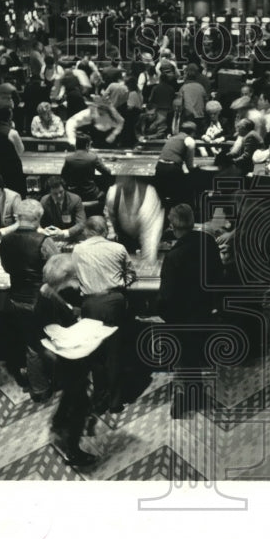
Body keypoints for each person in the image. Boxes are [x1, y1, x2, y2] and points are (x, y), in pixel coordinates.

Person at [157, 205, 224, 406]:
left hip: (183, 315)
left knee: (186, 358)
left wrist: (161, 312)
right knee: (193, 353)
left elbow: (166, 295)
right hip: (206, 308)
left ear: (172, 226)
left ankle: (192, 397)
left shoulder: (173, 257)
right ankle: (193, 392)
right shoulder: (208, 241)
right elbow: (218, 274)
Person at [34, 255, 97, 468]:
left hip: (55, 357)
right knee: (81, 402)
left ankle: (59, 420)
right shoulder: (52, 300)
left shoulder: (46, 292)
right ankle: (73, 451)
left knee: (71, 392)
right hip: (65, 358)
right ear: (67, 277)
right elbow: (58, 331)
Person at [71, 216, 136, 414]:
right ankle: (115, 402)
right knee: (114, 353)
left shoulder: (78, 250)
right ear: (104, 232)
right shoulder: (118, 248)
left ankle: (99, 400)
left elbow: (75, 276)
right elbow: (131, 275)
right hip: (114, 302)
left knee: (95, 353)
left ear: (87, 231)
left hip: (90, 303)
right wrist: (120, 284)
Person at [0, 198, 61, 394]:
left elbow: (6, 267)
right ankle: (42, 387)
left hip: (15, 298)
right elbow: (58, 270)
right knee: (42, 343)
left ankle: (34, 382)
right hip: (40, 300)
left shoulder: (6, 240)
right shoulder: (44, 241)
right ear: (38, 218)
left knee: (28, 341)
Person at [105, 176, 164, 262]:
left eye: (126, 182)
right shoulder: (113, 193)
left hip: (147, 234)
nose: (123, 185)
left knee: (147, 262)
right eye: (120, 182)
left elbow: (150, 235)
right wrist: (112, 239)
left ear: (133, 181)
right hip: (123, 238)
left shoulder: (148, 195)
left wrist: (148, 262)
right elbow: (109, 218)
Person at [154, 120, 197, 208]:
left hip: (159, 168)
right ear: (193, 132)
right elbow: (190, 166)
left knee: (162, 196)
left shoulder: (172, 138)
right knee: (183, 193)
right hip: (171, 169)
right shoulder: (190, 140)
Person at [0, 107, 27, 196]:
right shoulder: (13, 133)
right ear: (9, 118)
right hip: (12, 165)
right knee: (15, 191)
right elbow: (21, 151)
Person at [61, 133, 113, 205]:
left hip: (74, 194)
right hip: (91, 194)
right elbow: (107, 172)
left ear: (76, 145)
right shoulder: (93, 157)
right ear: (87, 145)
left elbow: (63, 177)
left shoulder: (68, 159)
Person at [39, 175, 87, 241]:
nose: (59, 196)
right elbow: (38, 222)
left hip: (72, 236)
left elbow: (81, 224)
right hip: (52, 237)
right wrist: (43, 230)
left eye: (61, 192)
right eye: (55, 194)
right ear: (49, 193)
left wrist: (63, 233)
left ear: (64, 189)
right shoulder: (44, 201)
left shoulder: (75, 199)